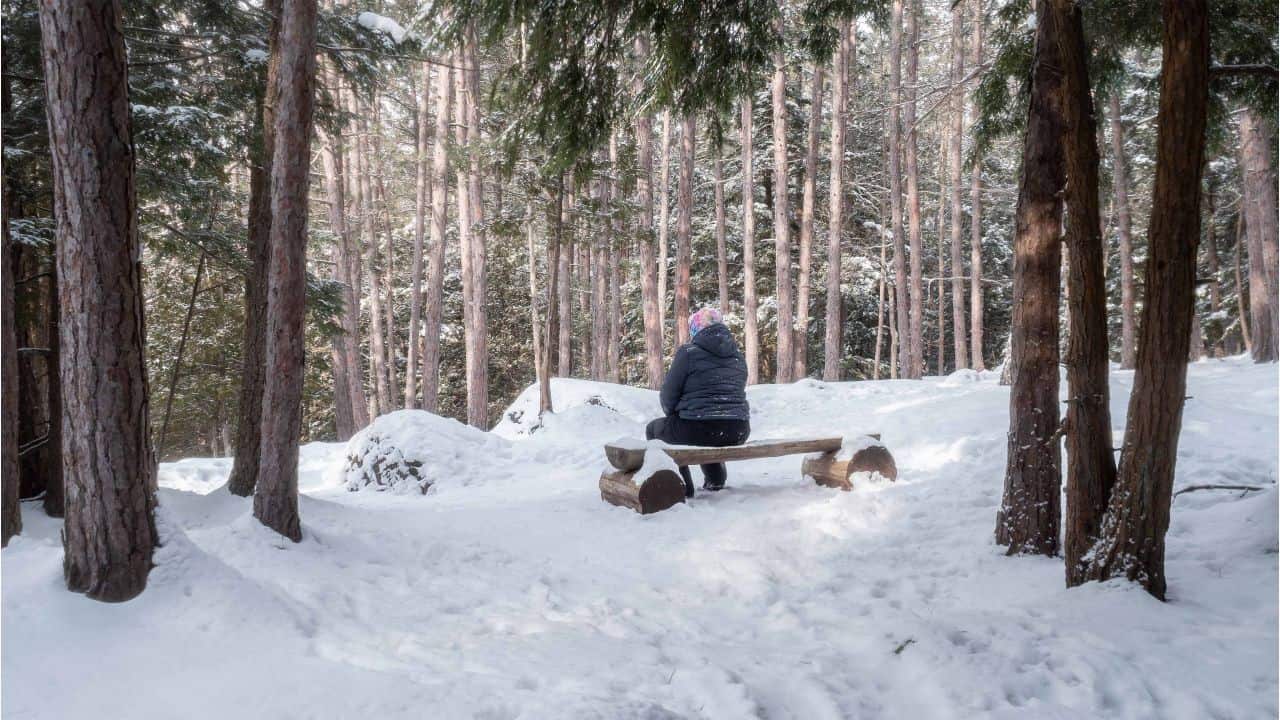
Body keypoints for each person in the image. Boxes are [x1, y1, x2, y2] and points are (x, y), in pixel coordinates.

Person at [646, 307, 751, 496]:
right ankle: (715, 480)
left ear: (696, 329)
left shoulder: (689, 352)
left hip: (700, 428)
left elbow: (668, 395)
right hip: (738, 430)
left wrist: (675, 414)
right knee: (706, 427)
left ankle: (683, 487)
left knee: (654, 429)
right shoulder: (738, 357)